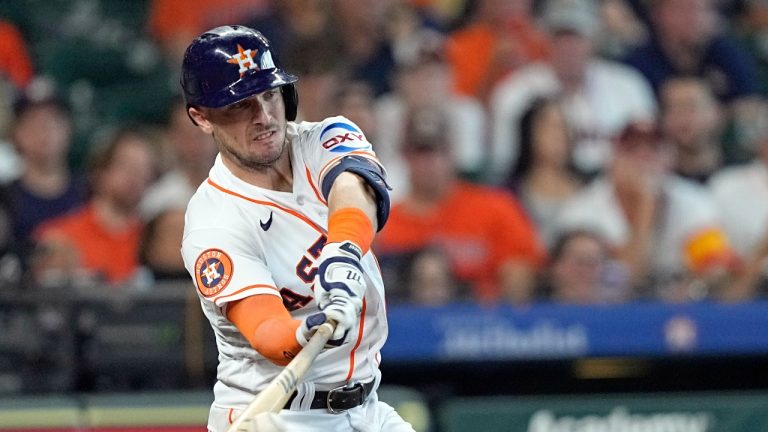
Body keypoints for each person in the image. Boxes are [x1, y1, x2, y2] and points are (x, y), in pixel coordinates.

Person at [177, 26, 414, 431]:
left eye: (269, 94)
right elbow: (268, 331)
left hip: (366, 407)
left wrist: (342, 253)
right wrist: (311, 328)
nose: (265, 117)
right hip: (278, 417)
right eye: (240, 105)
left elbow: (354, 188)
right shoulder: (212, 220)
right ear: (201, 117)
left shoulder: (323, 137)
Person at [374, 108, 545, 305]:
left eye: (438, 151)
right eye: (420, 153)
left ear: (452, 154)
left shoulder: (496, 209)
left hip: (481, 326)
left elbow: (521, 282)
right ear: (405, 157)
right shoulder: (385, 225)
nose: (430, 162)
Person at [555, 119, 736, 302]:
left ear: (669, 159)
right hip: (604, 317)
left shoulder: (694, 202)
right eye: (632, 151)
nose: (644, 160)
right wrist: (645, 205)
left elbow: (718, 269)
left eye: (653, 150)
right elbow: (623, 281)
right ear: (613, 160)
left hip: (675, 309)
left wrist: (690, 289)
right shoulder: (582, 211)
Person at [489, 0, 657, 179]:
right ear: (545, 40)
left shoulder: (628, 86)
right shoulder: (515, 91)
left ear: (594, 38)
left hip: (616, 188)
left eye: (577, 37)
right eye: (560, 37)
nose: (568, 47)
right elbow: (503, 165)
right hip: (543, 190)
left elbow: (649, 153)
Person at [32, 126, 159, 287]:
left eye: (143, 169)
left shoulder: (153, 241)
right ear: (100, 172)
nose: (135, 177)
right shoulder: (60, 237)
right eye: (126, 166)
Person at [504, 97, 583, 248]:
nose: (559, 135)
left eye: (564, 127)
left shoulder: (590, 191)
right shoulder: (507, 194)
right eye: (549, 127)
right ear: (529, 133)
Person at [659, 76, 724, 184]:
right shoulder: (658, 180)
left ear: (716, 113)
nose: (682, 118)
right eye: (673, 109)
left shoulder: (742, 172)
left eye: (690, 107)